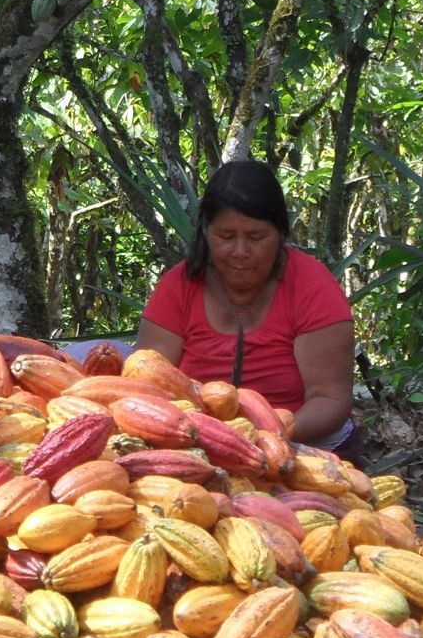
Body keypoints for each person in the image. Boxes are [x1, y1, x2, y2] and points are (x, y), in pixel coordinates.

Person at [134, 160, 359, 459]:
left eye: (256, 238)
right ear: (205, 231)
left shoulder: (313, 287)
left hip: (297, 439)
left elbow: (330, 399)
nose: (240, 252)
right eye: (226, 237)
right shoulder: (179, 286)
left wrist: (270, 434)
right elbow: (147, 379)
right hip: (194, 437)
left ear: (280, 234)